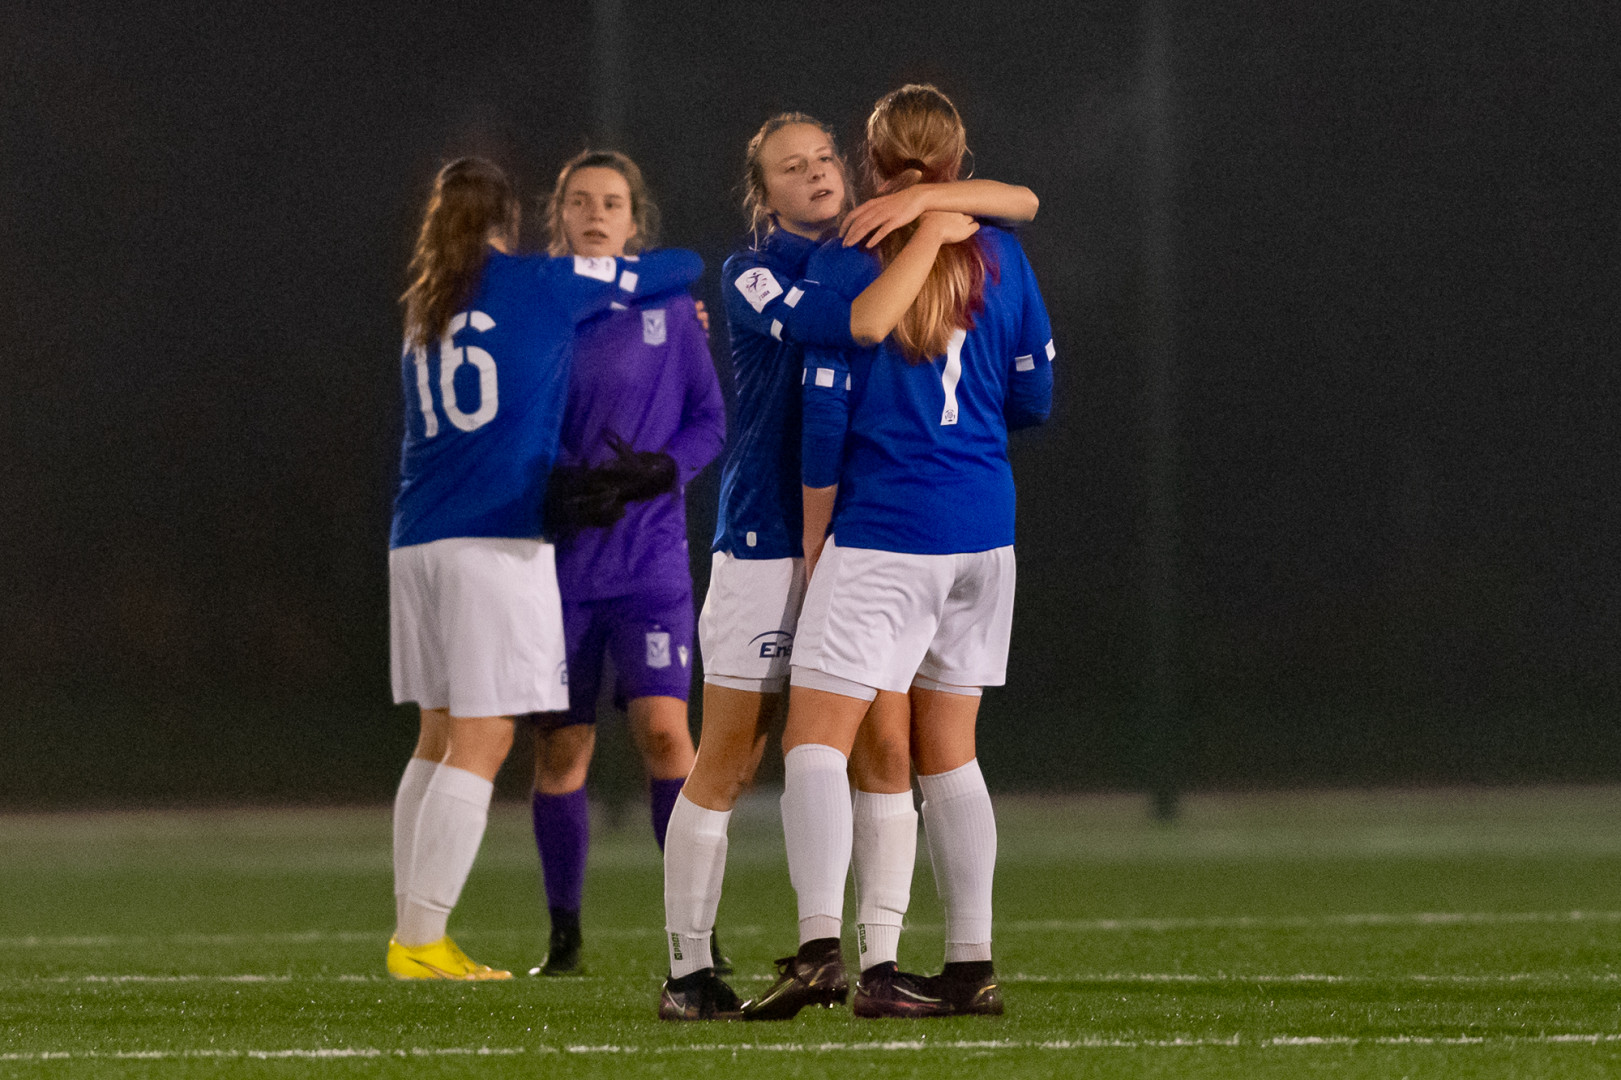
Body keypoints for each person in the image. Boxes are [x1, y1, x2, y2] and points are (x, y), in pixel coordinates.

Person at [658, 112, 1038, 1020]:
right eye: (791, 168)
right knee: (730, 756)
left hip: (860, 536)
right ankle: (688, 971)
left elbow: (1020, 200)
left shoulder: (871, 245)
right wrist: (934, 222)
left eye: (825, 157)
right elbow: (853, 326)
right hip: (771, 538)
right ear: (763, 193)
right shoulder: (754, 271)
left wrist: (926, 208)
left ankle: (874, 961)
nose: (817, 174)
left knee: (885, 750)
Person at [386, 157, 701, 980]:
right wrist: (648, 289)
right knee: (485, 737)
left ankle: (410, 925)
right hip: (493, 538)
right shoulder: (538, 285)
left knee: (436, 736)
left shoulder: (428, 298)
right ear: (516, 220)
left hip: (416, 535)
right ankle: (421, 939)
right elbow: (680, 264)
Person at [524, 150, 725, 976]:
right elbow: (508, 422)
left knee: (665, 732)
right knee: (560, 749)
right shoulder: (536, 311)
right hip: (559, 568)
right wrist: (547, 486)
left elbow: (709, 420)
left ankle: (696, 933)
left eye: (611, 202)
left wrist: (660, 470)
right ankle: (564, 936)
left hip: (649, 565)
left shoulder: (670, 310)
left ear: (634, 220)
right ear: (559, 216)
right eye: (579, 201)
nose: (595, 214)